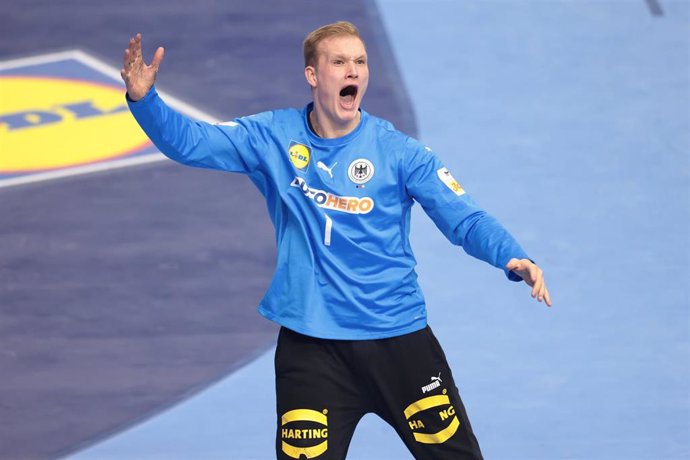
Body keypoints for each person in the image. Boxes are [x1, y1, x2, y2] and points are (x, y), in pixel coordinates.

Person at [121, 21, 551, 460]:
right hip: (312, 349)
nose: (353, 71)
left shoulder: (399, 152)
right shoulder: (272, 137)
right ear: (313, 75)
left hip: (399, 342)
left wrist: (511, 256)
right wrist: (144, 99)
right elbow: (192, 143)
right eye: (340, 62)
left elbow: (464, 217)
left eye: (360, 62)